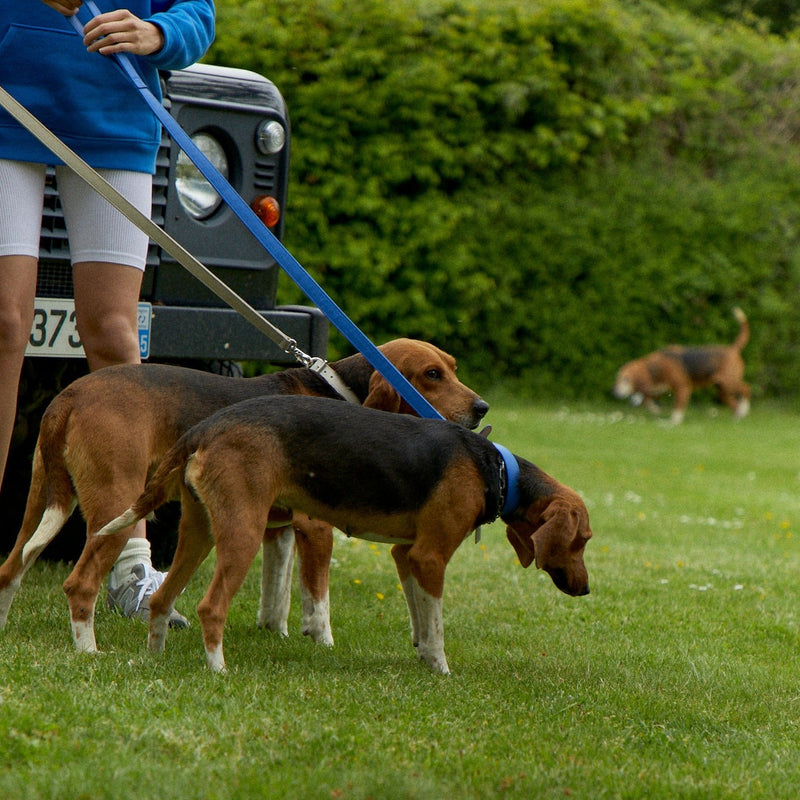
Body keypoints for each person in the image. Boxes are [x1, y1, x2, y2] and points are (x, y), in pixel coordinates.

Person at [0, 0, 215, 625]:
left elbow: (195, 12)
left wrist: (157, 32)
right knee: (5, 322)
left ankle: (129, 564)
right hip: (8, 100)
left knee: (116, 334)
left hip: (114, 111)